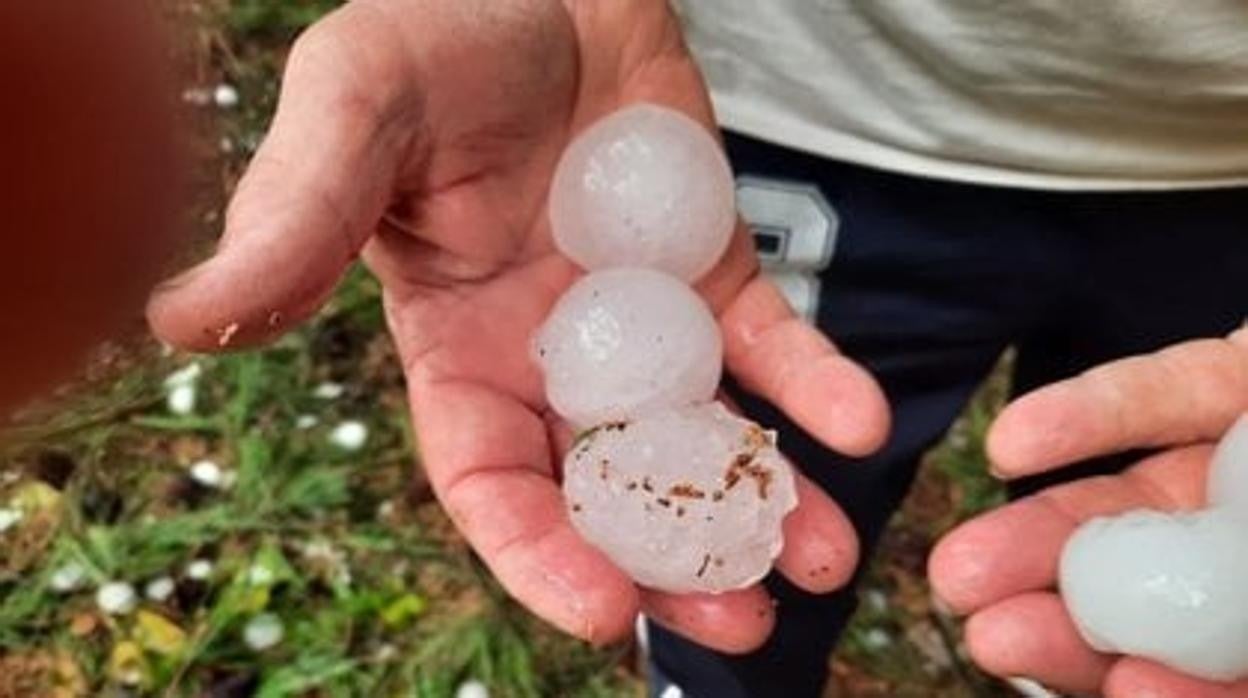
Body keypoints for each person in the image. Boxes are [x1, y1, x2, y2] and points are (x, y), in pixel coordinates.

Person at [145, 2, 1248, 697]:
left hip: (1222, 157)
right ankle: (718, 677)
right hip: (803, 107)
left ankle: (1070, 656)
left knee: (1118, 465)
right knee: (815, 460)